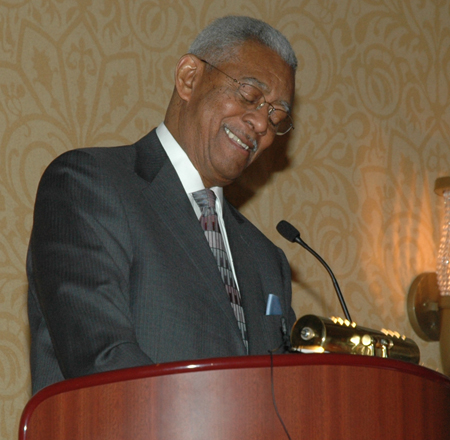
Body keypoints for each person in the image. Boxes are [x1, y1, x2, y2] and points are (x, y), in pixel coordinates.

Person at [27, 15, 298, 394]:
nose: (260, 124)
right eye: (250, 96)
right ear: (189, 78)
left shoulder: (268, 261)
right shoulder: (88, 184)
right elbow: (104, 362)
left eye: (277, 116)